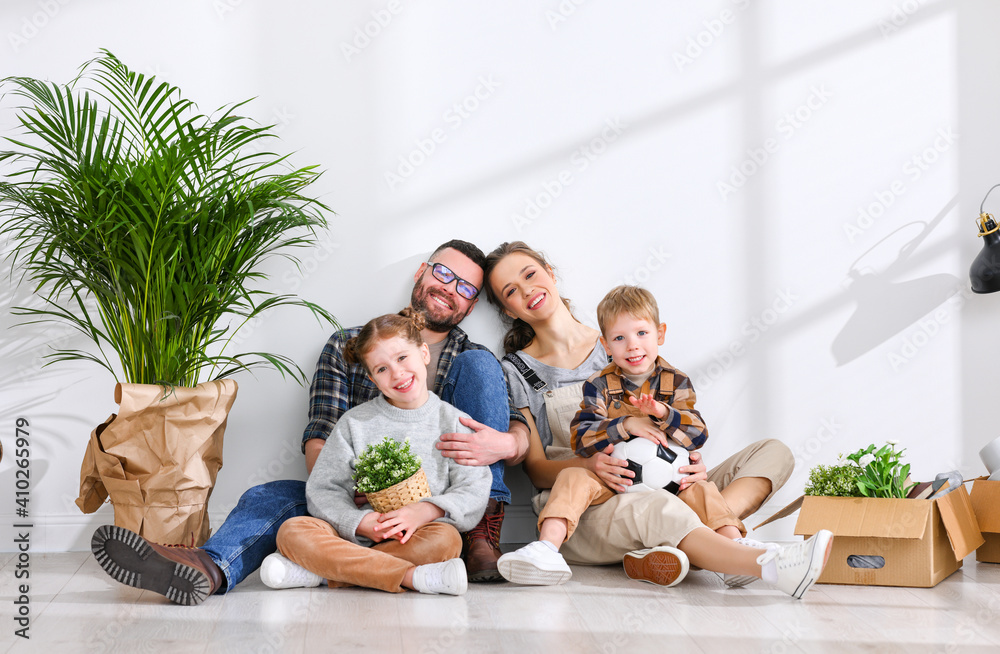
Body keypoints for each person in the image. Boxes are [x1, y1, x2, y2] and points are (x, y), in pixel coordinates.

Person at [91, 240, 530, 605]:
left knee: (479, 369)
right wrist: (355, 501)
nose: (450, 289)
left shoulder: (475, 362)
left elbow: (515, 429)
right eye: (444, 274)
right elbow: (321, 436)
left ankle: (335, 570)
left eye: (466, 288)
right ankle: (207, 568)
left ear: (471, 305)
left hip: (435, 512)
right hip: (354, 502)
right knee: (272, 499)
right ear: (422, 271)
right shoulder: (348, 346)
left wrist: (506, 445)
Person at [484, 241, 831, 598]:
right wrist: (594, 465)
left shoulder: (626, 337)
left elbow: (681, 422)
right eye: (511, 290)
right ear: (507, 310)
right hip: (588, 504)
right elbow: (537, 469)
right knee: (658, 506)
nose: (527, 290)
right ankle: (762, 565)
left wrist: (687, 463)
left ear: (550, 273)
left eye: (530, 274)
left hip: (663, 482)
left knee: (773, 453)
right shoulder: (517, 369)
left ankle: (687, 543)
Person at [497, 284, 749, 585]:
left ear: (660, 334)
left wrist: (663, 414)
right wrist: (626, 425)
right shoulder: (598, 384)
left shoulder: (677, 380)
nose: (632, 346)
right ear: (605, 345)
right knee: (572, 477)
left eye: (641, 334)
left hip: (671, 483)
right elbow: (581, 438)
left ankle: (735, 549)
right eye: (620, 338)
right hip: (611, 482)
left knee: (704, 490)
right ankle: (547, 547)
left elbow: (697, 435)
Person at [258, 310, 491, 595]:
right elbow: (324, 489)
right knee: (292, 531)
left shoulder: (453, 422)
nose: (397, 373)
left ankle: (320, 573)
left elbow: (473, 488)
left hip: (417, 536)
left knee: (447, 541)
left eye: (402, 358)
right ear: (372, 379)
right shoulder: (354, 423)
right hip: (351, 538)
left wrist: (424, 511)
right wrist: (360, 522)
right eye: (382, 369)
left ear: (424, 353)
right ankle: (411, 577)